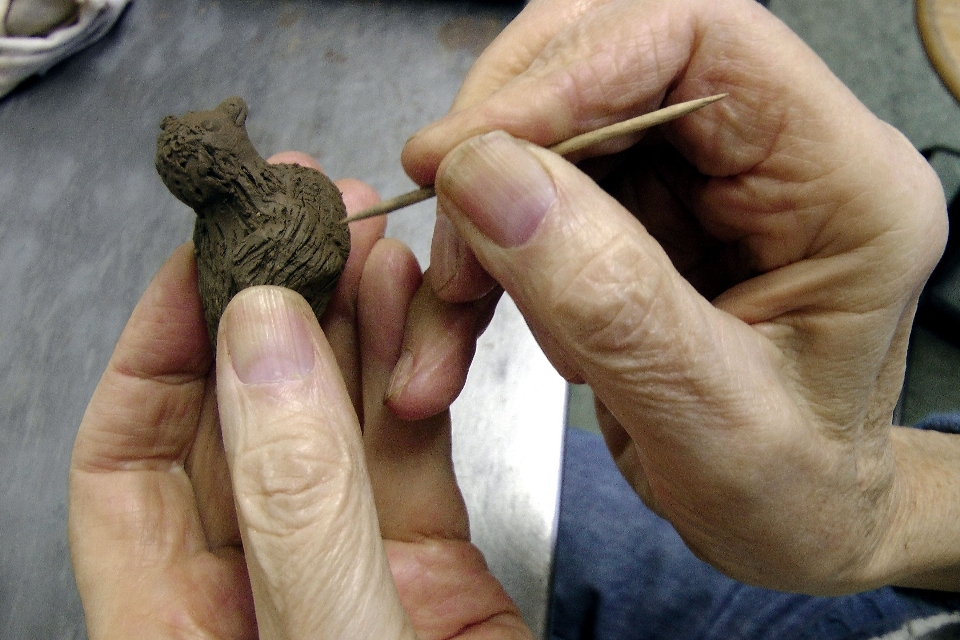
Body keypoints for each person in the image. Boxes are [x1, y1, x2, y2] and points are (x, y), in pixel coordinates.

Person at [68, 0, 960, 637]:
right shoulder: (281, 210)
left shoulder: (293, 203)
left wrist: (870, 517)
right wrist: (883, 517)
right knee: (548, 492)